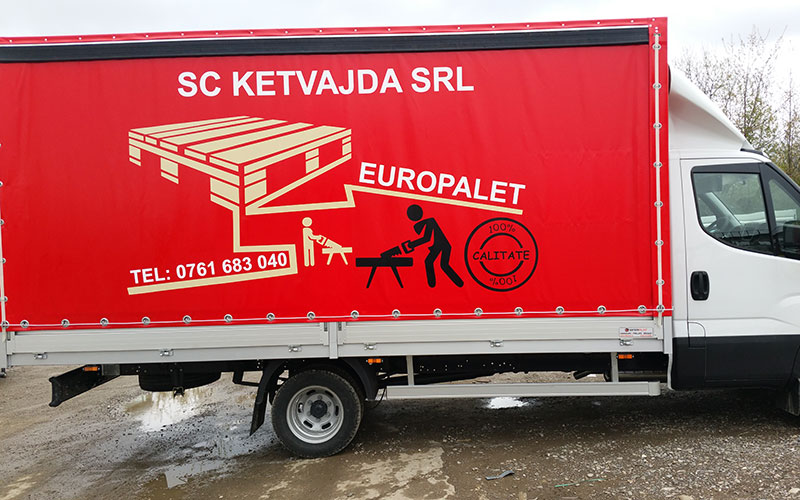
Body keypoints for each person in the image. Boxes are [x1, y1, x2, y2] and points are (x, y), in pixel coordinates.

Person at [404, 204, 463, 287]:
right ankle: (433, 284)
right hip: (438, 246)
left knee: (440, 264)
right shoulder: (429, 221)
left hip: (443, 246)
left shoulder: (430, 222)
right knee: (432, 262)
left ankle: (458, 283)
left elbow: (426, 238)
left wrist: (412, 244)